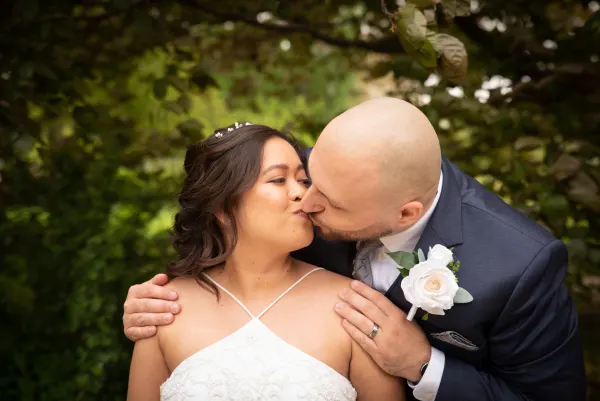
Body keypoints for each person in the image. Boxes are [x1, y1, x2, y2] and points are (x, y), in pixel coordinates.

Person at [123, 98, 586, 401]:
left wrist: (423, 364)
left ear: (404, 214)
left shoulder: (519, 265)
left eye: (323, 196)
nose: (306, 198)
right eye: (303, 176)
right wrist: (150, 307)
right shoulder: (335, 163)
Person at [126, 122, 405, 401]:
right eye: (278, 180)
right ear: (222, 206)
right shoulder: (163, 310)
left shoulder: (353, 307)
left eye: (303, 180)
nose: (302, 193)